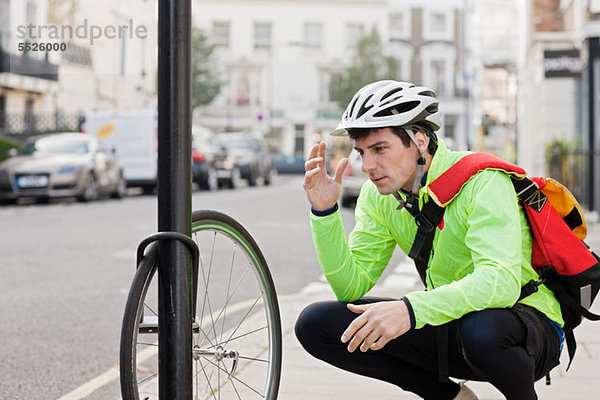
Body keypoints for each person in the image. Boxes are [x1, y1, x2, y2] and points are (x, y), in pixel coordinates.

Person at [295, 80, 564, 400]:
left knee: (482, 330)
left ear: (419, 141)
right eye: (362, 152)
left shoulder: (483, 182)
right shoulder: (379, 196)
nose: (367, 166)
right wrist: (324, 212)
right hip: (451, 322)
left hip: (526, 329)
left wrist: (410, 310)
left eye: (380, 149)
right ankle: (449, 397)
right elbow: (350, 288)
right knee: (317, 324)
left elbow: (500, 283)